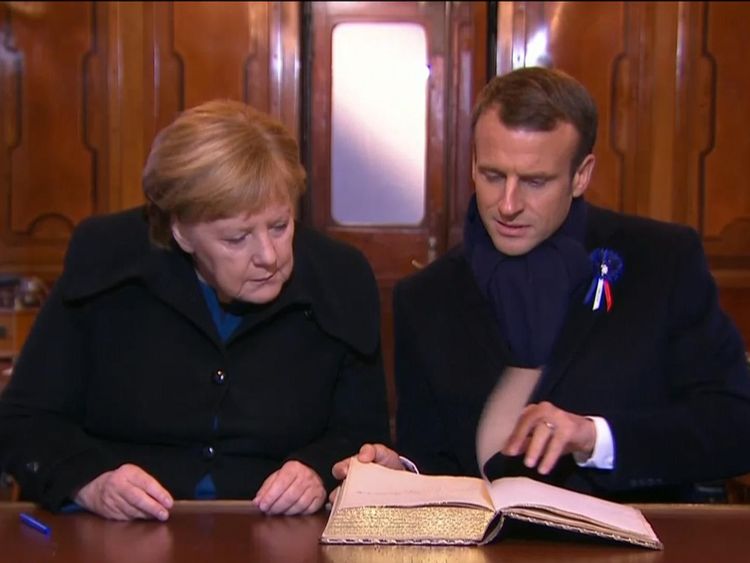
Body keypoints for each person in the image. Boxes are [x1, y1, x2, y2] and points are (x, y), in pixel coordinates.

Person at [334, 66, 750, 502]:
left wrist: (595, 438)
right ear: (473, 164)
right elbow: (434, 459)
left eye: (535, 182)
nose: (508, 204)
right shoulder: (424, 297)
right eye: (493, 175)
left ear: (581, 175)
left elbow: (735, 427)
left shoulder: (662, 261)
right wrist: (401, 471)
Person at [0, 99, 390, 519]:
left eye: (279, 226)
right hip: (119, 537)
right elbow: (24, 421)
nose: (269, 255)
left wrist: (317, 472)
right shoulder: (106, 263)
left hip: (279, 536)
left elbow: (362, 437)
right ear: (180, 232)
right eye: (236, 239)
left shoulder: (340, 277)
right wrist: (91, 482)